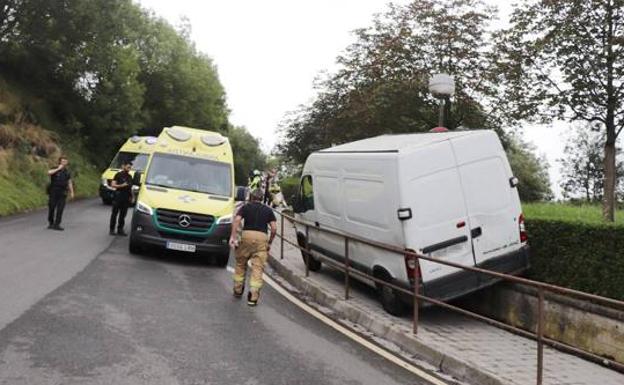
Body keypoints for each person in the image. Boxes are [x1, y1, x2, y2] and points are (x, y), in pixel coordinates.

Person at [229, 188, 277, 306]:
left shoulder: (245, 207)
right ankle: (253, 297)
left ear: (251, 197)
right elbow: (274, 228)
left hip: (246, 236)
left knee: (241, 263)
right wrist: (269, 242)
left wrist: (233, 236)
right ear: (262, 199)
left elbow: (237, 220)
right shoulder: (268, 210)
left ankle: (238, 290)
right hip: (262, 238)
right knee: (258, 267)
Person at [47, 156, 74, 231]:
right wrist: (58, 169)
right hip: (53, 191)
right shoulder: (55, 168)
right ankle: (51, 222)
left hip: (63, 192)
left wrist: (72, 192)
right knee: (51, 207)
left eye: (65, 161)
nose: (64, 163)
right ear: (59, 162)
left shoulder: (67, 172)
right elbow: (49, 172)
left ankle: (57, 224)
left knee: (60, 209)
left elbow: (69, 182)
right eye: (62, 161)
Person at [109, 160, 133, 236]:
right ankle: (112, 230)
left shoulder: (130, 177)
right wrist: (121, 186)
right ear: (123, 166)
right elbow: (112, 185)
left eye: (130, 167)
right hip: (118, 196)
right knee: (114, 214)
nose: (129, 168)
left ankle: (120, 230)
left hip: (126, 198)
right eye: (128, 166)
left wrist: (132, 197)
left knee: (123, 215)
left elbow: (130, 188)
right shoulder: (118, 175)